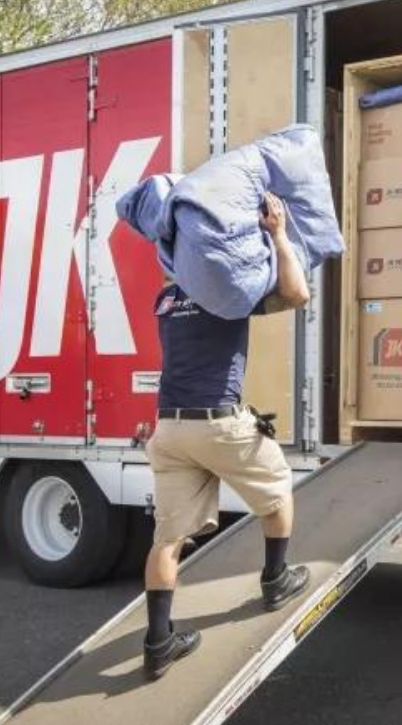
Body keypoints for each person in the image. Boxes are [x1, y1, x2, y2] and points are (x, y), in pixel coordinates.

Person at [141, 192, 311, 680]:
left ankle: (158, 642)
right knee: (278, 489)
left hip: (170, 429)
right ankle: (276, 579)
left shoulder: (165, 299)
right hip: (218, 424)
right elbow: (297, 293)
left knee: (167, 542)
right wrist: (277, 233)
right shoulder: (227, 292)